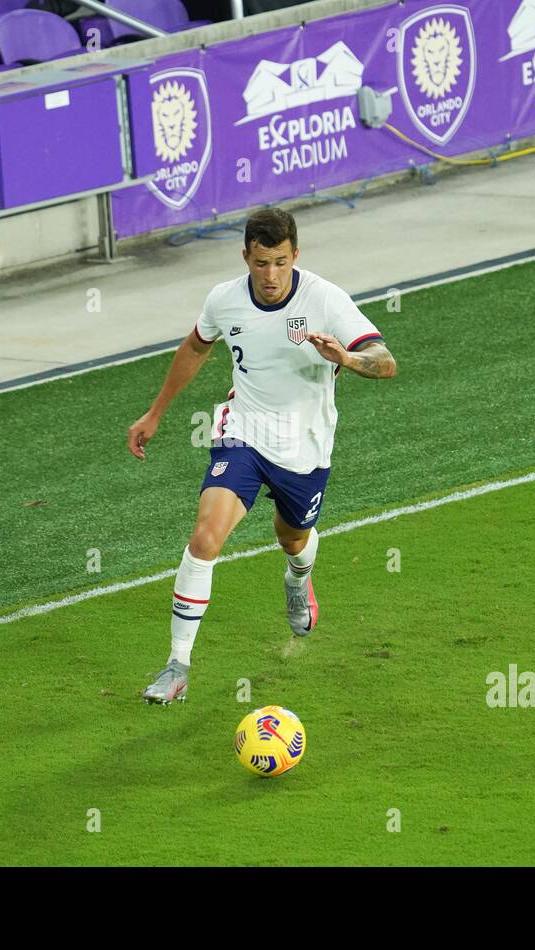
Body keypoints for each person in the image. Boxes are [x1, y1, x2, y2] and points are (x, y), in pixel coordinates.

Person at [126, 207, 397, 704]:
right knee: (205, 537)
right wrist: (155, 413)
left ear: (295, 255)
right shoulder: (224, 300)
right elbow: (195, 346)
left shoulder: (325, 299)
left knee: (292, 538)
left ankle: (299, 579)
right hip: (242, 433)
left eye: (279, 262)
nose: (270, 276)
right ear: (245, 257)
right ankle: (177, 665)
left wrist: (347, 359)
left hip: (305, 447)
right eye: (260, 264)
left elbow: (385, 362)